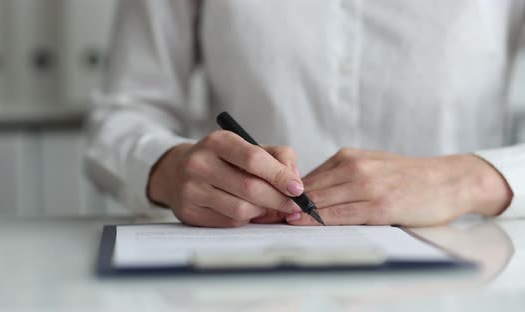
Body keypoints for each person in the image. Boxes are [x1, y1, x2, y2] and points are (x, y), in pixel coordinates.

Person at [86, 0, 525, 228]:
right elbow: (122, 115)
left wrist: (469, 180)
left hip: (467, 274)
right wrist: (167, 168)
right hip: (240, 274)